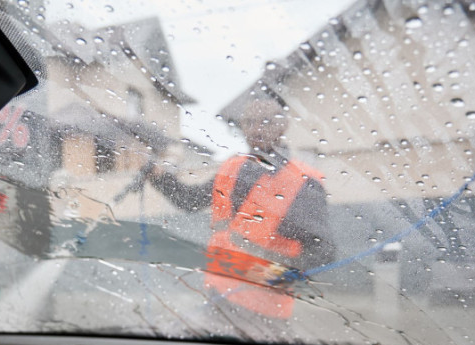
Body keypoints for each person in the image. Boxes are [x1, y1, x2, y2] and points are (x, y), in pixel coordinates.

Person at [129, 98, 333, 319]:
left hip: (265, 312)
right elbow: (190, 200)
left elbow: (323, 251)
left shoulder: (303, 182)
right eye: (249, 122)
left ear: (283, 126)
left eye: (265, 121)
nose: (256, 129)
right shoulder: (232, 168)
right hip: (218, 295)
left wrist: (273, 274)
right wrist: (160, 177)